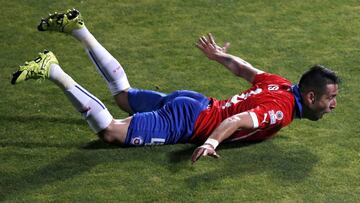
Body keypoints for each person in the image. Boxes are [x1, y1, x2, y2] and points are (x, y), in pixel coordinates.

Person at [11, 9, 340, 164]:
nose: (333, 105)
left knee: (123, 97)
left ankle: (79, 30)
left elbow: (246, 70)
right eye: (330, 99)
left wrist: (220, 57)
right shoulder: (280, 111)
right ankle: (53, 69)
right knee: (110, 132)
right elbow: (236, 121)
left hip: (194, 101)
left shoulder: (281, 85)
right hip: (190, 121)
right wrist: (211, 143)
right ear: (310, 97)